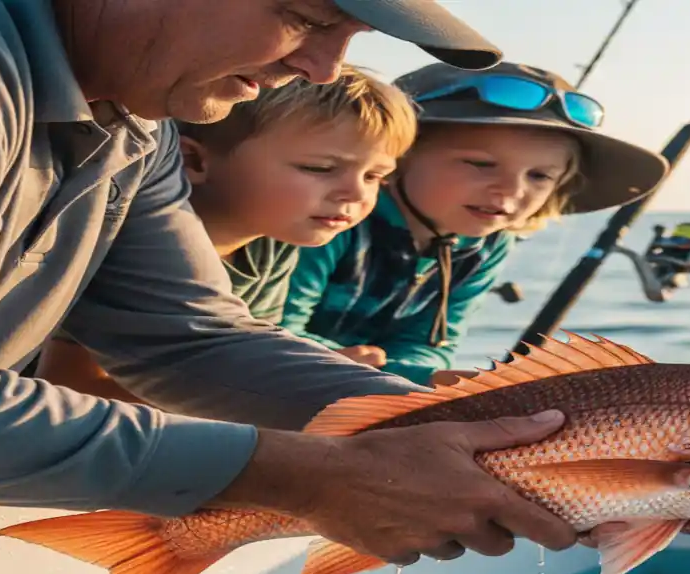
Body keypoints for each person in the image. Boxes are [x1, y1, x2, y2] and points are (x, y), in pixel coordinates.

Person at [0, 0, 690, 566]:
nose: (322, 68)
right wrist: (315, 477)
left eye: (350, 35)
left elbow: (188, 340)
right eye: (304, 17)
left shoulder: (137, 125)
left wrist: (487, 436)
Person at [33, 64, 418, 404]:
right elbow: (70, 384)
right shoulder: (129, 247)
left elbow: (249, 356)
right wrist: (285, 394)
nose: (355, 193)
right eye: (318, 168)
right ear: (194, 160)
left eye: (375, 177)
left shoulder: (272, 245)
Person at [279, 61, 670, 388]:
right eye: (480, 163)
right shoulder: (336, 215)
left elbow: (433, 341)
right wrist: (384, 371)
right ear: (397, 157)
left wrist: (423, 375)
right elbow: (273, 325)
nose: (511, 190)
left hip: (361, 385)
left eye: (539, 176)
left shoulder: (488, 243)